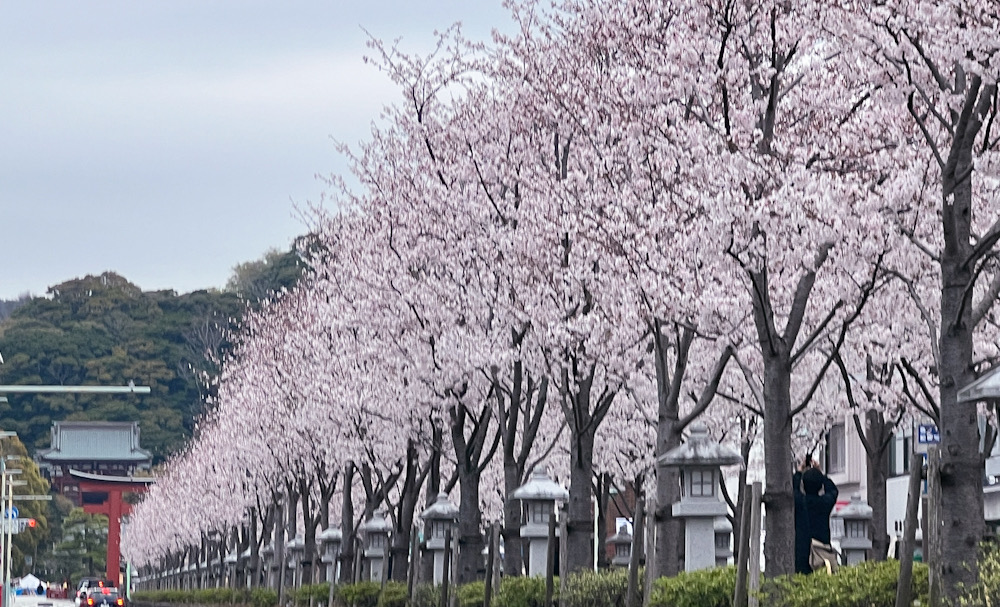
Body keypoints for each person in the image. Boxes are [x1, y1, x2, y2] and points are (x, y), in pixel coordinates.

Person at [793, 455, 839, 574]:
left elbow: (793, 490)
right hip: (821, 550)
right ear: (820, 486)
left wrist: (798, 472)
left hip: (802, 551)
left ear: (803, 483)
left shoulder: (799, 502)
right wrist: (821, 474)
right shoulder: (824, 503)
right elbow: (833, 491)